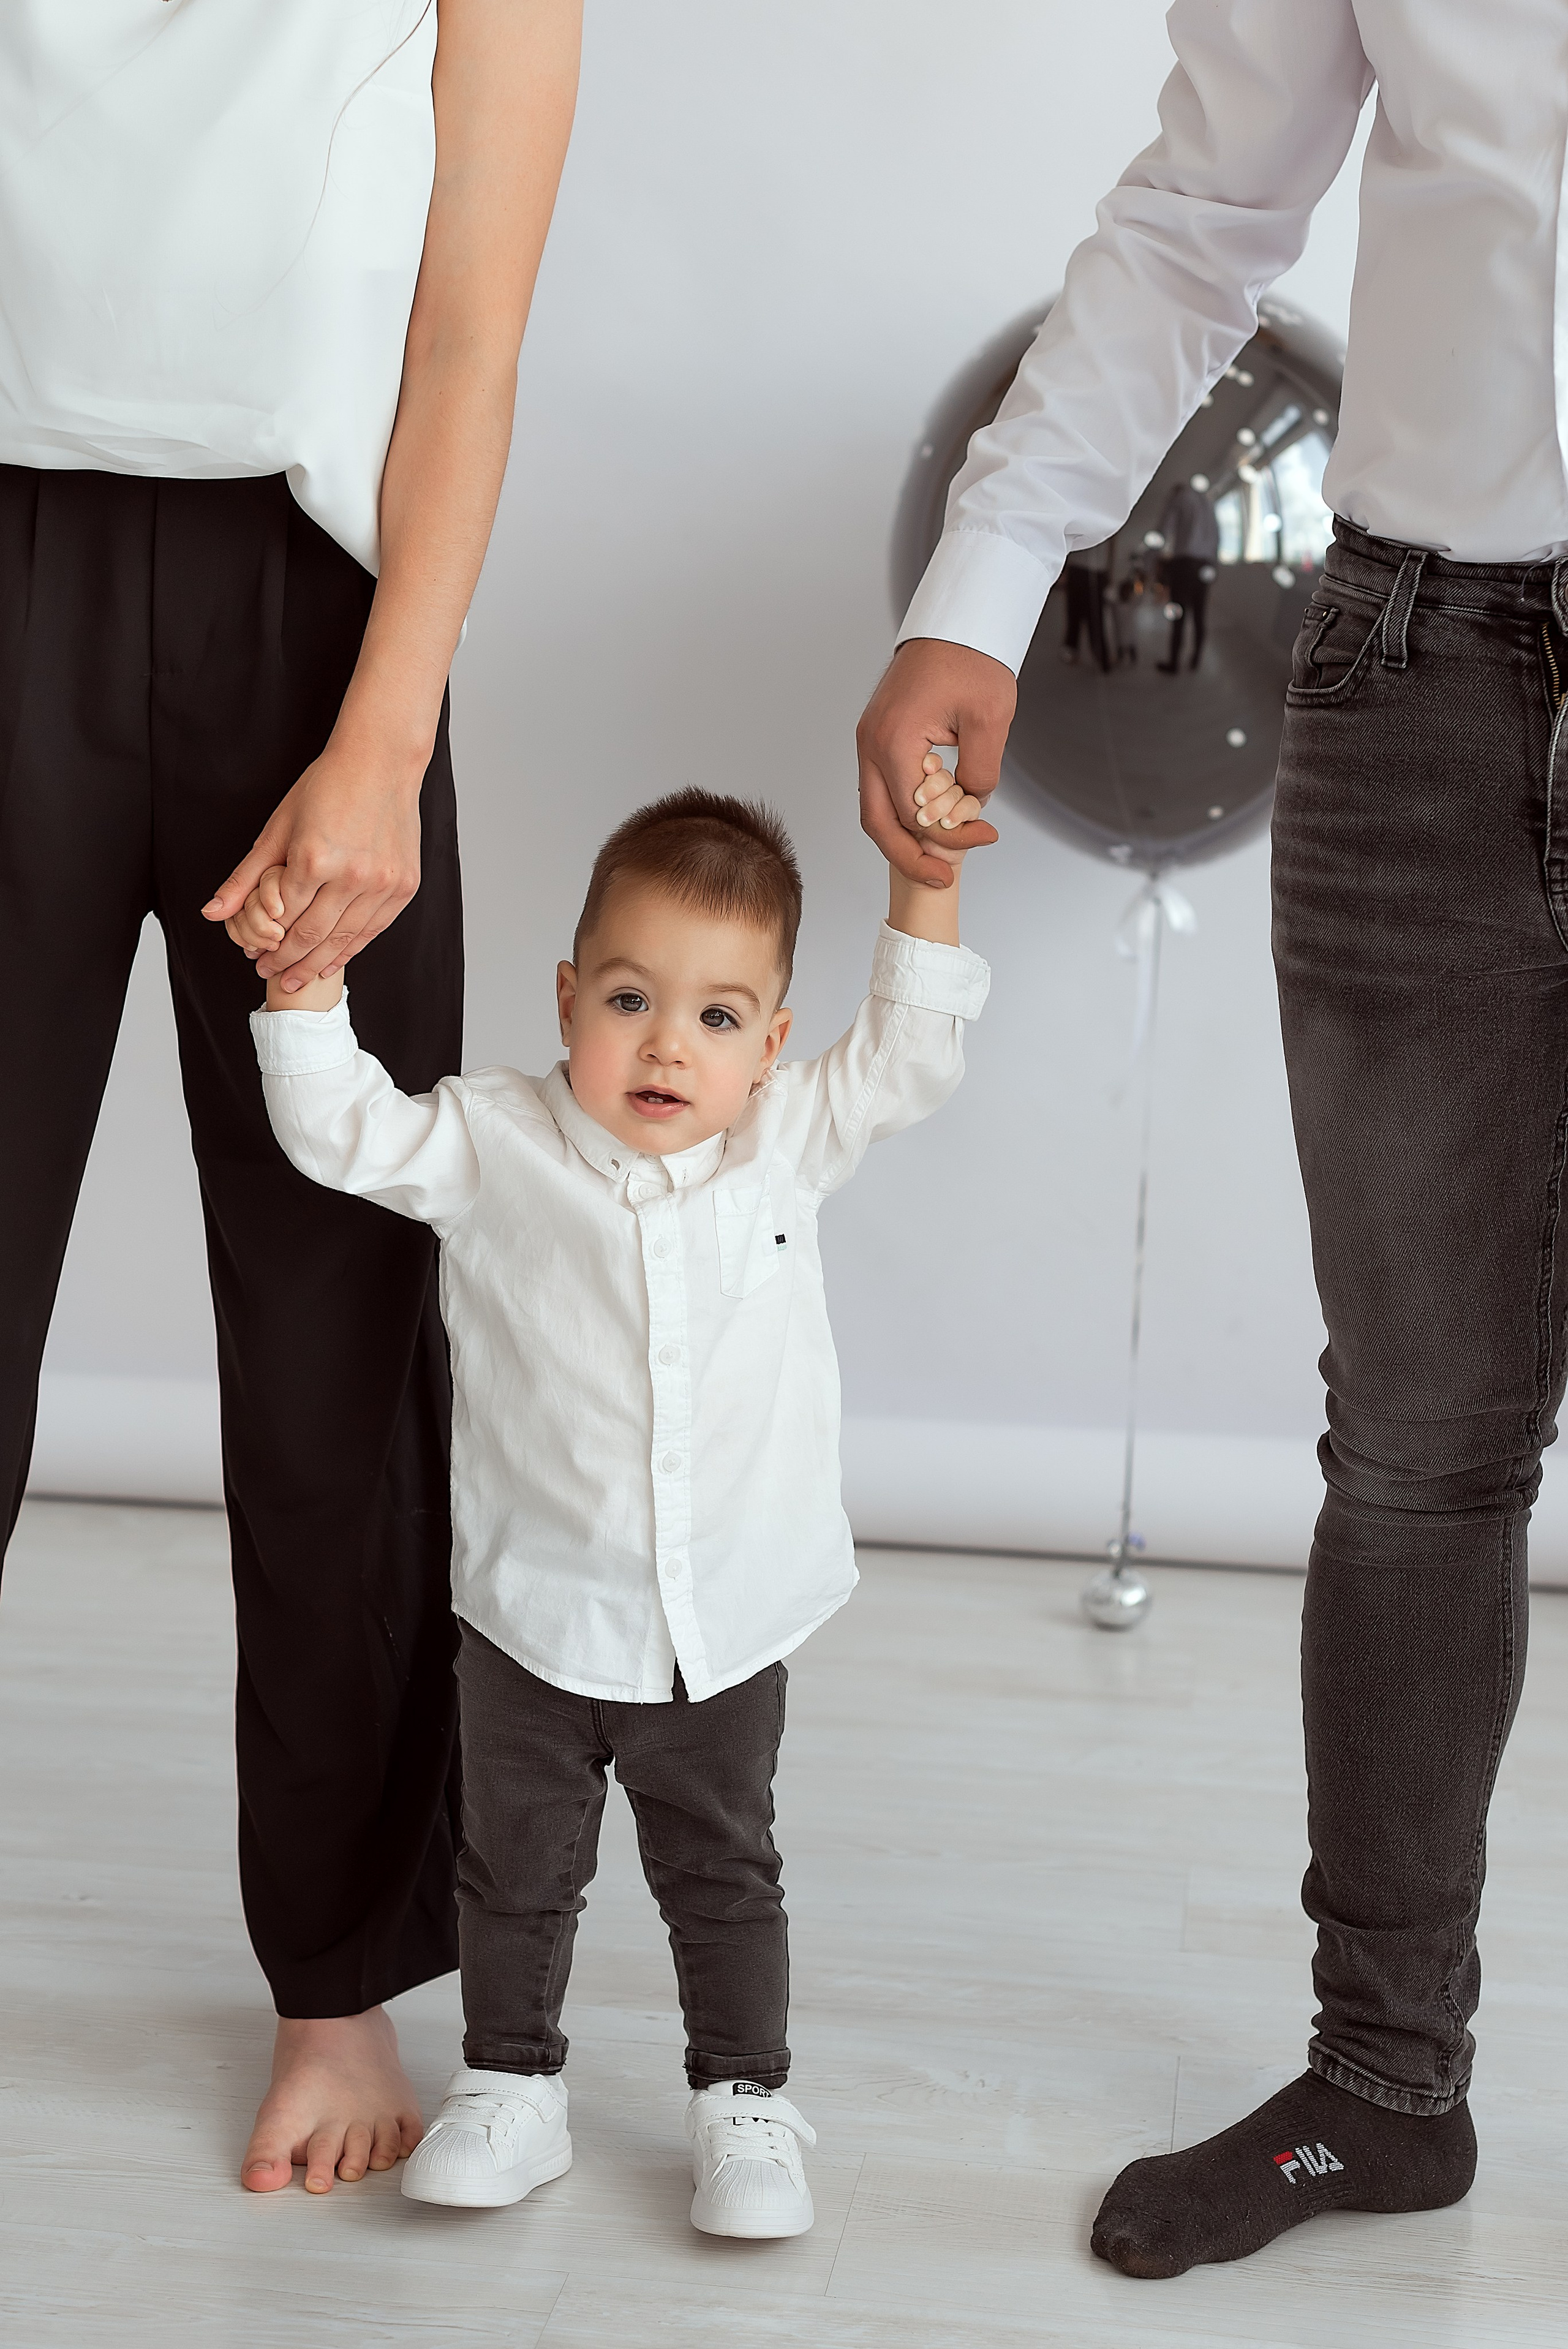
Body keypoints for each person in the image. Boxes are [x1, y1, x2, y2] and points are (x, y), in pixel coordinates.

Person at [857, 0, 1567, 2282]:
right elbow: (1203, 205)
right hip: (1414, 666)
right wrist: (980, 582)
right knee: (1420, 1431)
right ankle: (1382, 2083)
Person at [0, 2, 581, 2192]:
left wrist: (380, 735)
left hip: (309, 621)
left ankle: (335, 1982)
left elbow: (468, 334)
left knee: (334, 1338)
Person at [233, 783, 991, 2234]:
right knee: (512, 1867)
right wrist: (306, 986)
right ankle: (511, 2084)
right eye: (632, 997)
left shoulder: (786, 1137)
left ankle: (745, 2098)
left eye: (716, 1016)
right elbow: (340, 1130)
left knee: (722, 1868)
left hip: (722, 1618)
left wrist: (925, 880)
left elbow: (907, 1055)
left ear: (768, 1044)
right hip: (530, 1612)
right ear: (570, 995)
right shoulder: (491, 1140)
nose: (665, 1043)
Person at [1155, 478, 1218, 672]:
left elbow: (1164, 530)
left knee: (1177, 614)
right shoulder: (1208, 502)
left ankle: (1174, 663)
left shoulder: (1179, 498)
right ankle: (1196, 660)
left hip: (1183, 565)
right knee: (1200, 615)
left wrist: (1154, 561)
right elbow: (1216, 536)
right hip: (1204, 566)